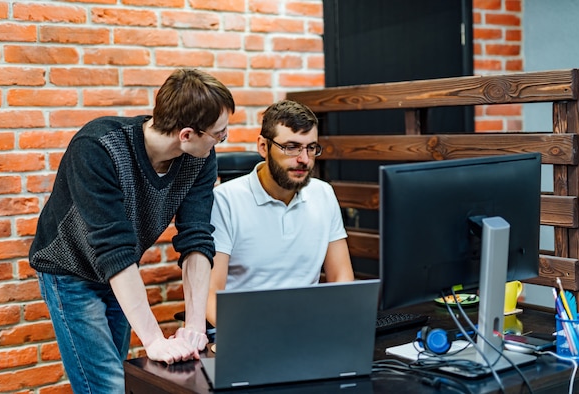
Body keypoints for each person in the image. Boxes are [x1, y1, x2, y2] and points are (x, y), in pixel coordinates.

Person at [29, 69, 235, 393]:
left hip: (121, 269)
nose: (222, 140)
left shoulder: (200, 156)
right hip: (70, 272)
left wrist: (195, 327)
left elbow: (196, 237)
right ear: (186, 134)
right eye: (219, 134)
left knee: (124, 381)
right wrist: (153, 340)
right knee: (108, 386)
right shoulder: (98, 146)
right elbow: (113, 247)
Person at [207, 99, 355, 327]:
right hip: (247, 329)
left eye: (311, 148)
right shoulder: (225, 200)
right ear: (263, 147)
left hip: (308, 327)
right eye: (291, 147)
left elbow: (342, 280)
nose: (304, 159)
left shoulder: (323, 194)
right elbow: (210, 298)